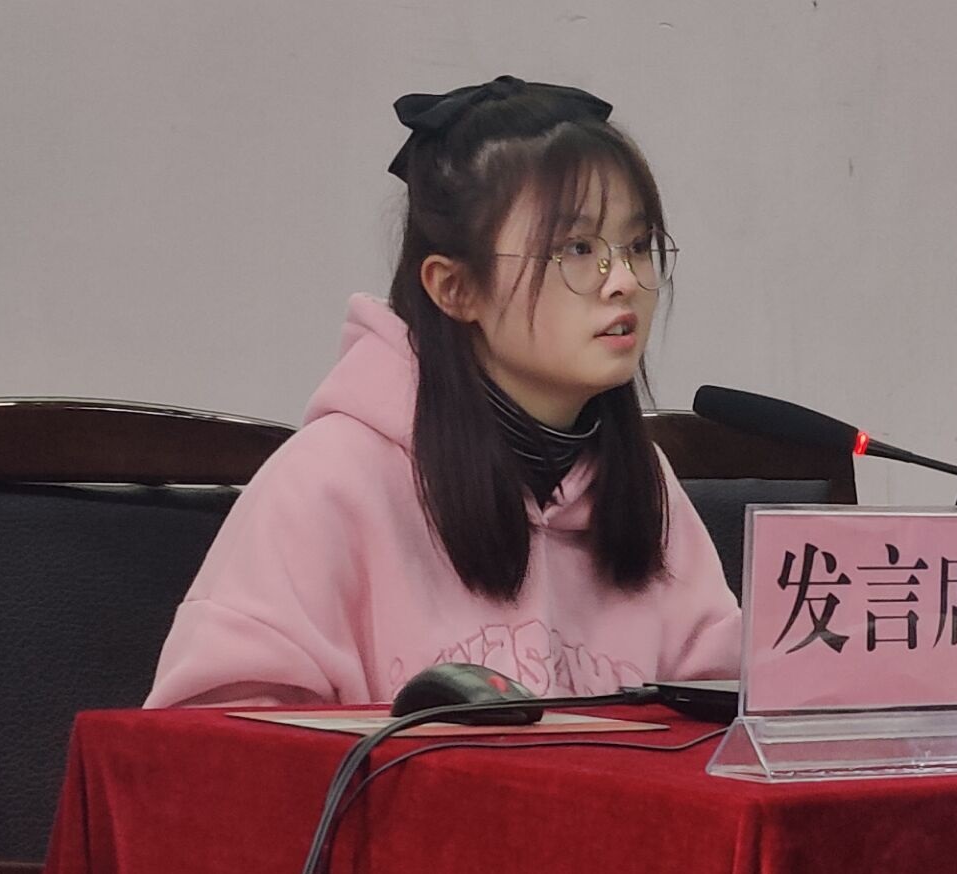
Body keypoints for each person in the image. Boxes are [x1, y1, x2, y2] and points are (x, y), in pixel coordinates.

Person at [145, 76, 741, 708]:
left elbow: (731, 714)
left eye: (638, 245)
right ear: (455, 288)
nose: (622, 279)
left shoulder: (645, 483)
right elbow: (212, 744)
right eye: (575, 248)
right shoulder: (329, 482)